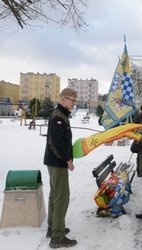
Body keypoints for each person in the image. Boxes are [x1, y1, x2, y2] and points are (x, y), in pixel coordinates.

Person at [43, 88, 78, 248]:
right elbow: (55, 142)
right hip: (57, 163)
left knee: (55, 195)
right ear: (63, 99)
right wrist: (67, 160)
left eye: (75, 100)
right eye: (72, 99)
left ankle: (53, 227)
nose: (74, 103)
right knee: (61, 197)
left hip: (54, 162)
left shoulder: (62, 115)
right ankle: (57, 236)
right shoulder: (58, 117)